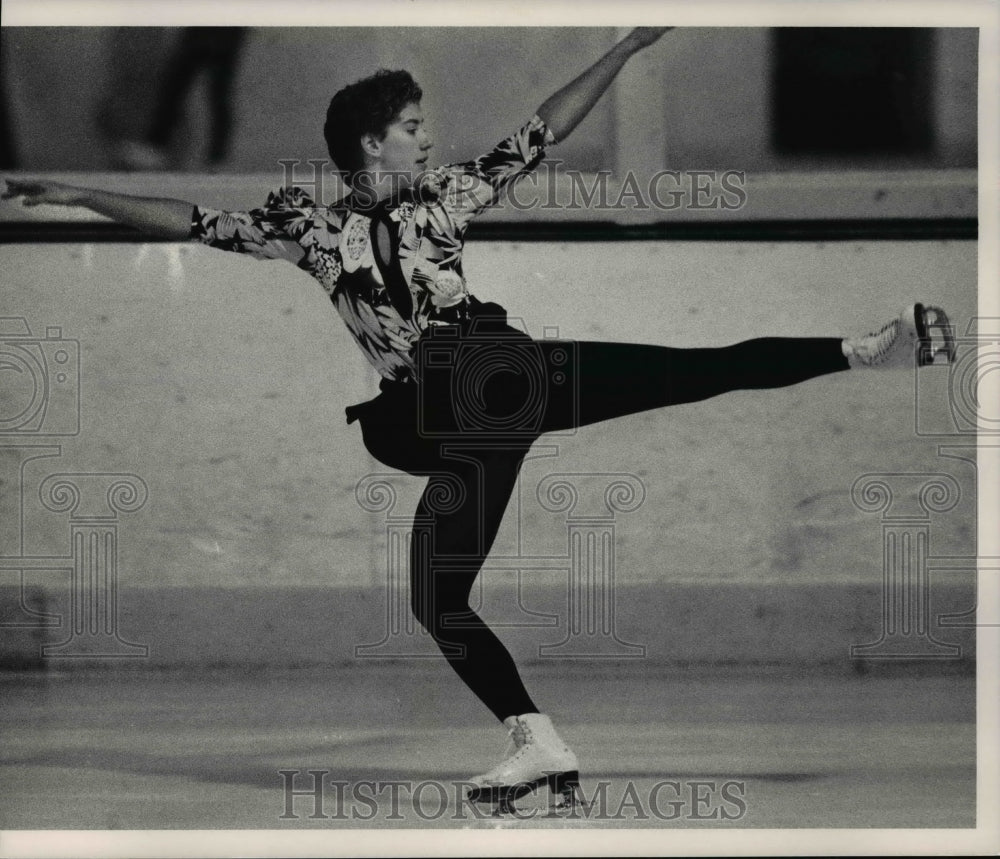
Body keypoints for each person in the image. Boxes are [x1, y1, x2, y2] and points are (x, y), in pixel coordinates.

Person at [2, 27, 954, 813]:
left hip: (492, 384)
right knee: (437, 598)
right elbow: (192, 220)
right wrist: (80, 191)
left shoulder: (443, 199)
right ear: (371, 142)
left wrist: (622, 52)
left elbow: (536, 132)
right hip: (475, 418)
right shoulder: (306, 227)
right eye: (411, 126)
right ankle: (537, 742)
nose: (426, 137)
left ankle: (865, 349)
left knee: (688, 372)